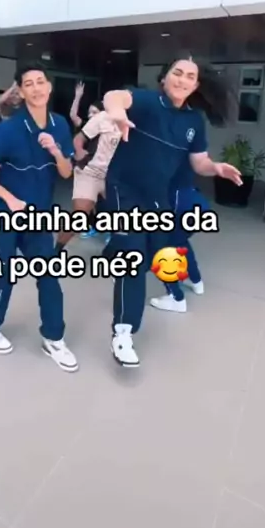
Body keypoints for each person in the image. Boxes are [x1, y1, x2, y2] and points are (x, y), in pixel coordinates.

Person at [102, 53, 242, 368]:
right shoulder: (147, 101)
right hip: (124, 189)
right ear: (165, 77)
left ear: (196, 85)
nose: (182, 80)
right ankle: (123, 333)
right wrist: (117, 113)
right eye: (177, 73)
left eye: (190, 76)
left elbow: (199, 162)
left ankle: (168, 292)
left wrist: (216, 168)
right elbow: (115, 96)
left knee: (163, 249)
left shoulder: (194, 121)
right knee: (133, 257)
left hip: (157, 196)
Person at [0, 63, 78, 372]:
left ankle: (54, 338)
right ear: (21, 91)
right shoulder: (9, 129)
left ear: (49, 87)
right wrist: (8, 198)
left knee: (48, 276)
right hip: (3, 212)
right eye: (28, 84)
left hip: (38, 214)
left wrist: (56, 151)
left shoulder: (59, 125)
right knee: (2, 273)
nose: (36, 88)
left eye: (40, 81)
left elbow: (66, 171)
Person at [55, 107, 120, 252]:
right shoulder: (103, 117)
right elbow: (78, 139)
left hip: (114, 175)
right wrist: (79, 152)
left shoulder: (135, 122)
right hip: (91, 172)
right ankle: (56, 252)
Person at [149, 158, 208, 313]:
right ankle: (196, 281)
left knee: (161, 249)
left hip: (179, 207)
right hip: (196, 203)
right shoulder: (186, 148)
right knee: (180, 242)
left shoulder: (166, 153)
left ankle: (176, 298)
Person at [68, 82, 104, 239]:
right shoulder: (85, 127)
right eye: (89, 112)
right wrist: (77, 96)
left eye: (94, 112)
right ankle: (90, 225)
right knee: (85, 200)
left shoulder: (109, 129)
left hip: (102, 170)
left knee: (103, 201)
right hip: (84, 169)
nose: (90, 115)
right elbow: (73, 115)